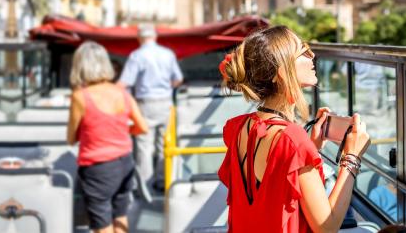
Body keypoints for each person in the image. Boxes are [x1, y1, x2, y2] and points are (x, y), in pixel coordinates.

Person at [218, 26, 371, 232]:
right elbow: (327, 226)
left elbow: (274, 188)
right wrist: (352, 158)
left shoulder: (238, 127)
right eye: (304, 50)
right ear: (282, 71)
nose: (312, 55)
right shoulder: (291, 138)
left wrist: (310, 149)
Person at [67, 41, 148, 233]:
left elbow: (71, 138)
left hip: (98, 168)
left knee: (102, 223)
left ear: (80, 66)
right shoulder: (121, 92)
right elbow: (142, 127)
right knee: (120, 215)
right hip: (125, 162)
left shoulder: (80, 97)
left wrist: (99, 132)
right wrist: (117, 131)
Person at [119, 23, 183, 191]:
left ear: (139, 38)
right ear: (155, 37)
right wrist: (166, 87)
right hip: (166, 103)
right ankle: (163, 182)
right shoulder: (168, 54)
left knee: (144, 146)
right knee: (165, 144)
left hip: (145, 104)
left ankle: (145, 186)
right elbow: (178, 79)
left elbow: (125, 83)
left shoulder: (136, 56)